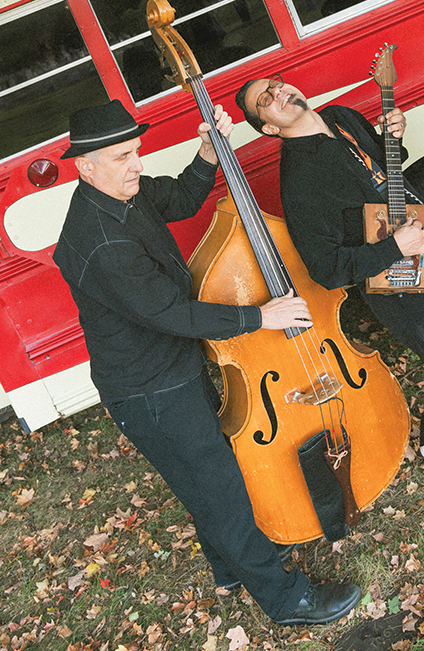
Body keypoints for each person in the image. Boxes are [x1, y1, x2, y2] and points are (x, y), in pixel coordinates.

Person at [53, 99, 361, 627]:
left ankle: (229, 567)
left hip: (174, 368)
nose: (137, 165)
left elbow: (178, 197)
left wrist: (206, 152)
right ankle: (287, 600)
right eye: (123, 157)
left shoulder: (122, 192)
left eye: (136, 152)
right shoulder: (100, 240)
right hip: (149, 389)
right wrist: (259, 316)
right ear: (86, 166)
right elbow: (171, 313)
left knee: (206, 480)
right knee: (220, 490)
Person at [235, 77, 424, 514]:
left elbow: (384, 174)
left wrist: (392, 139)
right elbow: (326, 268)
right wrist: (395, 248)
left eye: (276, 85)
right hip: (401, 286)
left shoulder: (340, 118)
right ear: (269, 128)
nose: (279, 94)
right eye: (265, 101)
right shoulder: (300, 179)